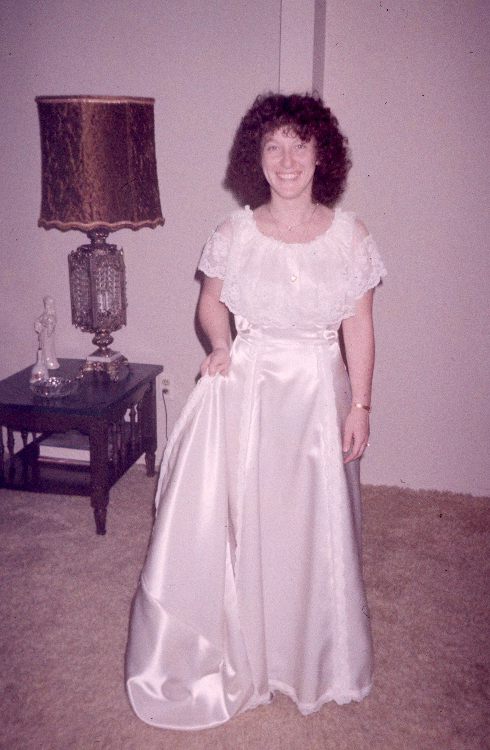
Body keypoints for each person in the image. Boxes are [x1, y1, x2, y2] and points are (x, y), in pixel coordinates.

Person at [126, 93, 386, 730]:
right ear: (257, 158)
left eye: (300, 144)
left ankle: (315, 661)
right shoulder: (232, 233)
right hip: (252, 390)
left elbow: (359, 326)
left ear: (322, 155)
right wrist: (220, 345)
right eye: (273, 146)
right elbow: (211, 305)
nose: (287, 159)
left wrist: (360, 403)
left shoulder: (351, 236)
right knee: (250, 525)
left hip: (319, 397)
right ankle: (251, 654)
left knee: (317, 529)